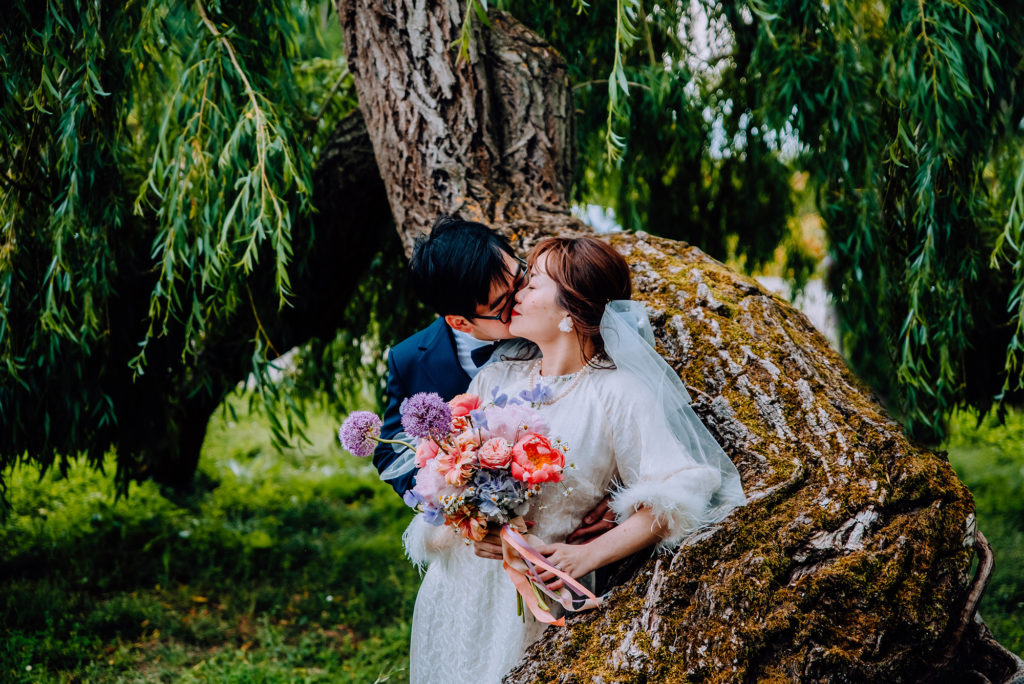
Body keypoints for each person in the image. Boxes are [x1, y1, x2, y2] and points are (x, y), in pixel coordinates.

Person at [404, 236, 746, 684]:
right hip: (460, 593)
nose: (518, 294)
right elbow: (446, 478)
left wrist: (583, 556)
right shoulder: (493, 378)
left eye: (533, 284)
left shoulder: (619, 393)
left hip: (539, 602)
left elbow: (678, 493)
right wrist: (469, 527)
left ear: (569, 312)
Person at [373, 217, 617, 544]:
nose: (521, 297)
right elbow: (391, 451)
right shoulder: (408, 359)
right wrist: (462, 500)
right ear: (460, 322)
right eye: (503, 303)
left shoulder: (553, 322)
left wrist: (618, 495)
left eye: (521, 276)